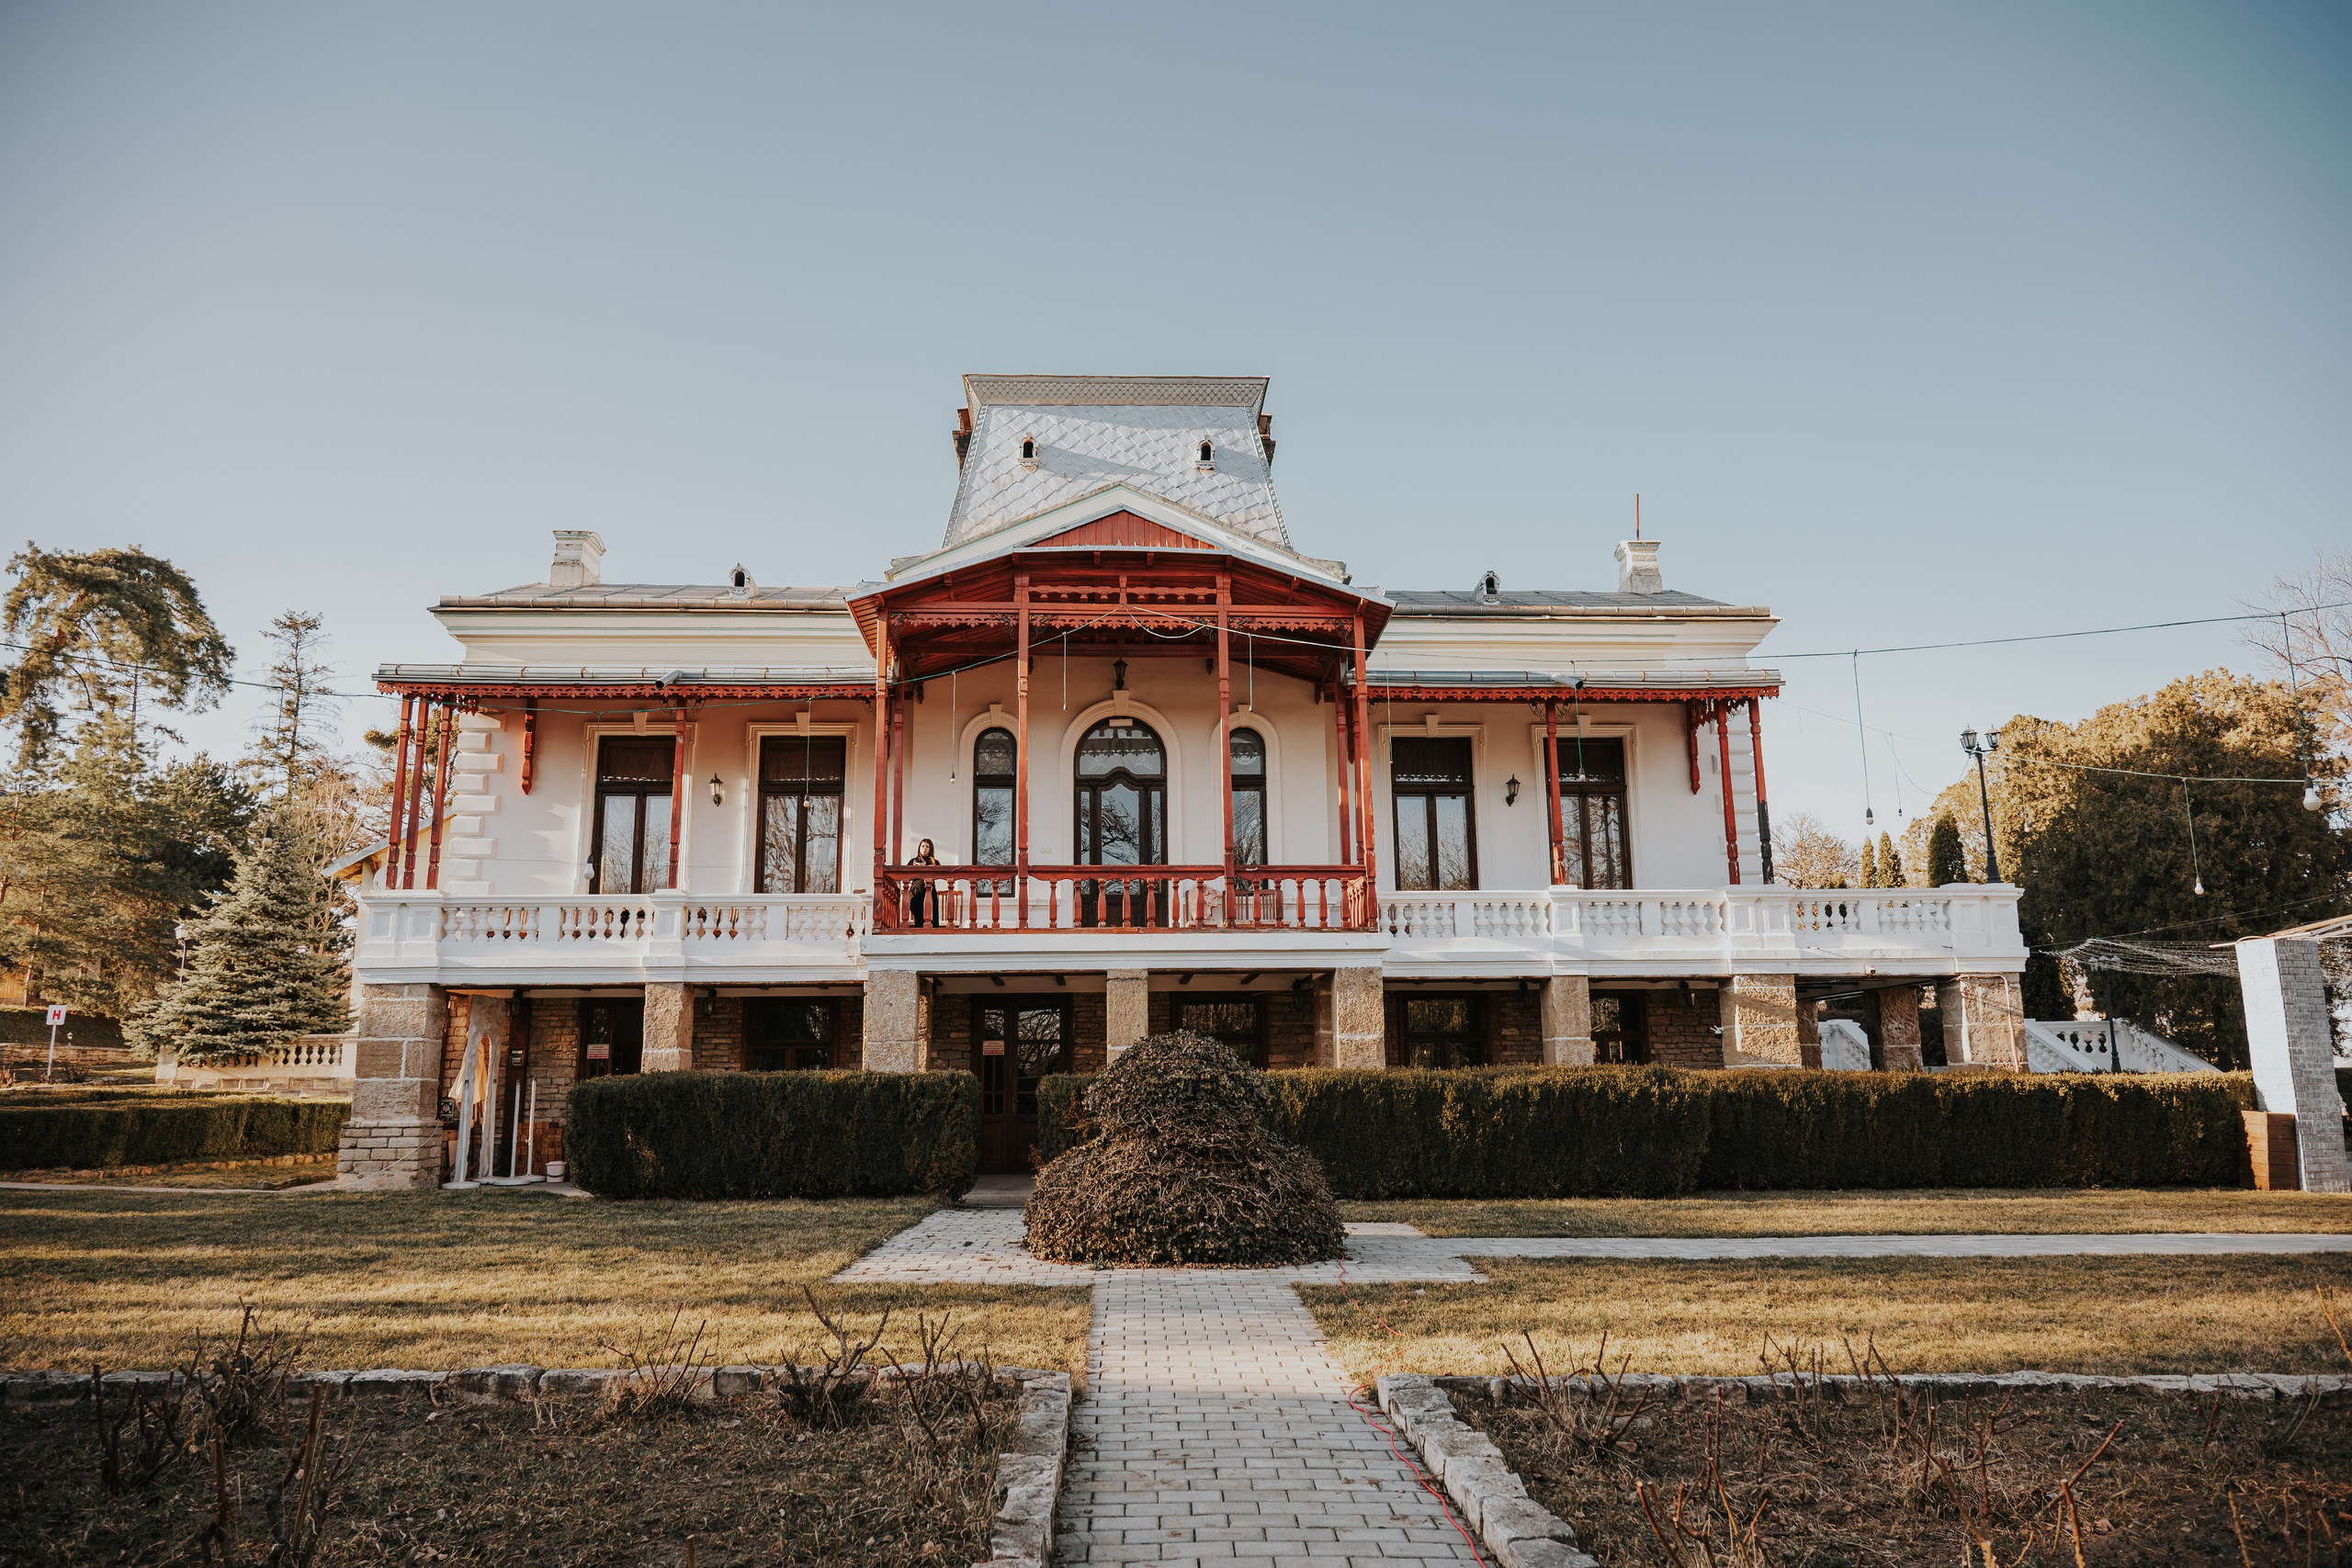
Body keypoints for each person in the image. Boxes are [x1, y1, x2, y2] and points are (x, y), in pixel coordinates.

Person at [907, 837, 942, 927]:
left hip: (929, 891)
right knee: (919, 917)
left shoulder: (935, 862)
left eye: (927, 847)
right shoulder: (913, 861)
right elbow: (906, 875)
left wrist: (927, 866)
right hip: (917, 891)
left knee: (932, 915)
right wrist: (915, 867)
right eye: (922, 846)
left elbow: (939, 874)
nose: (924, 849)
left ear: (930, 849)